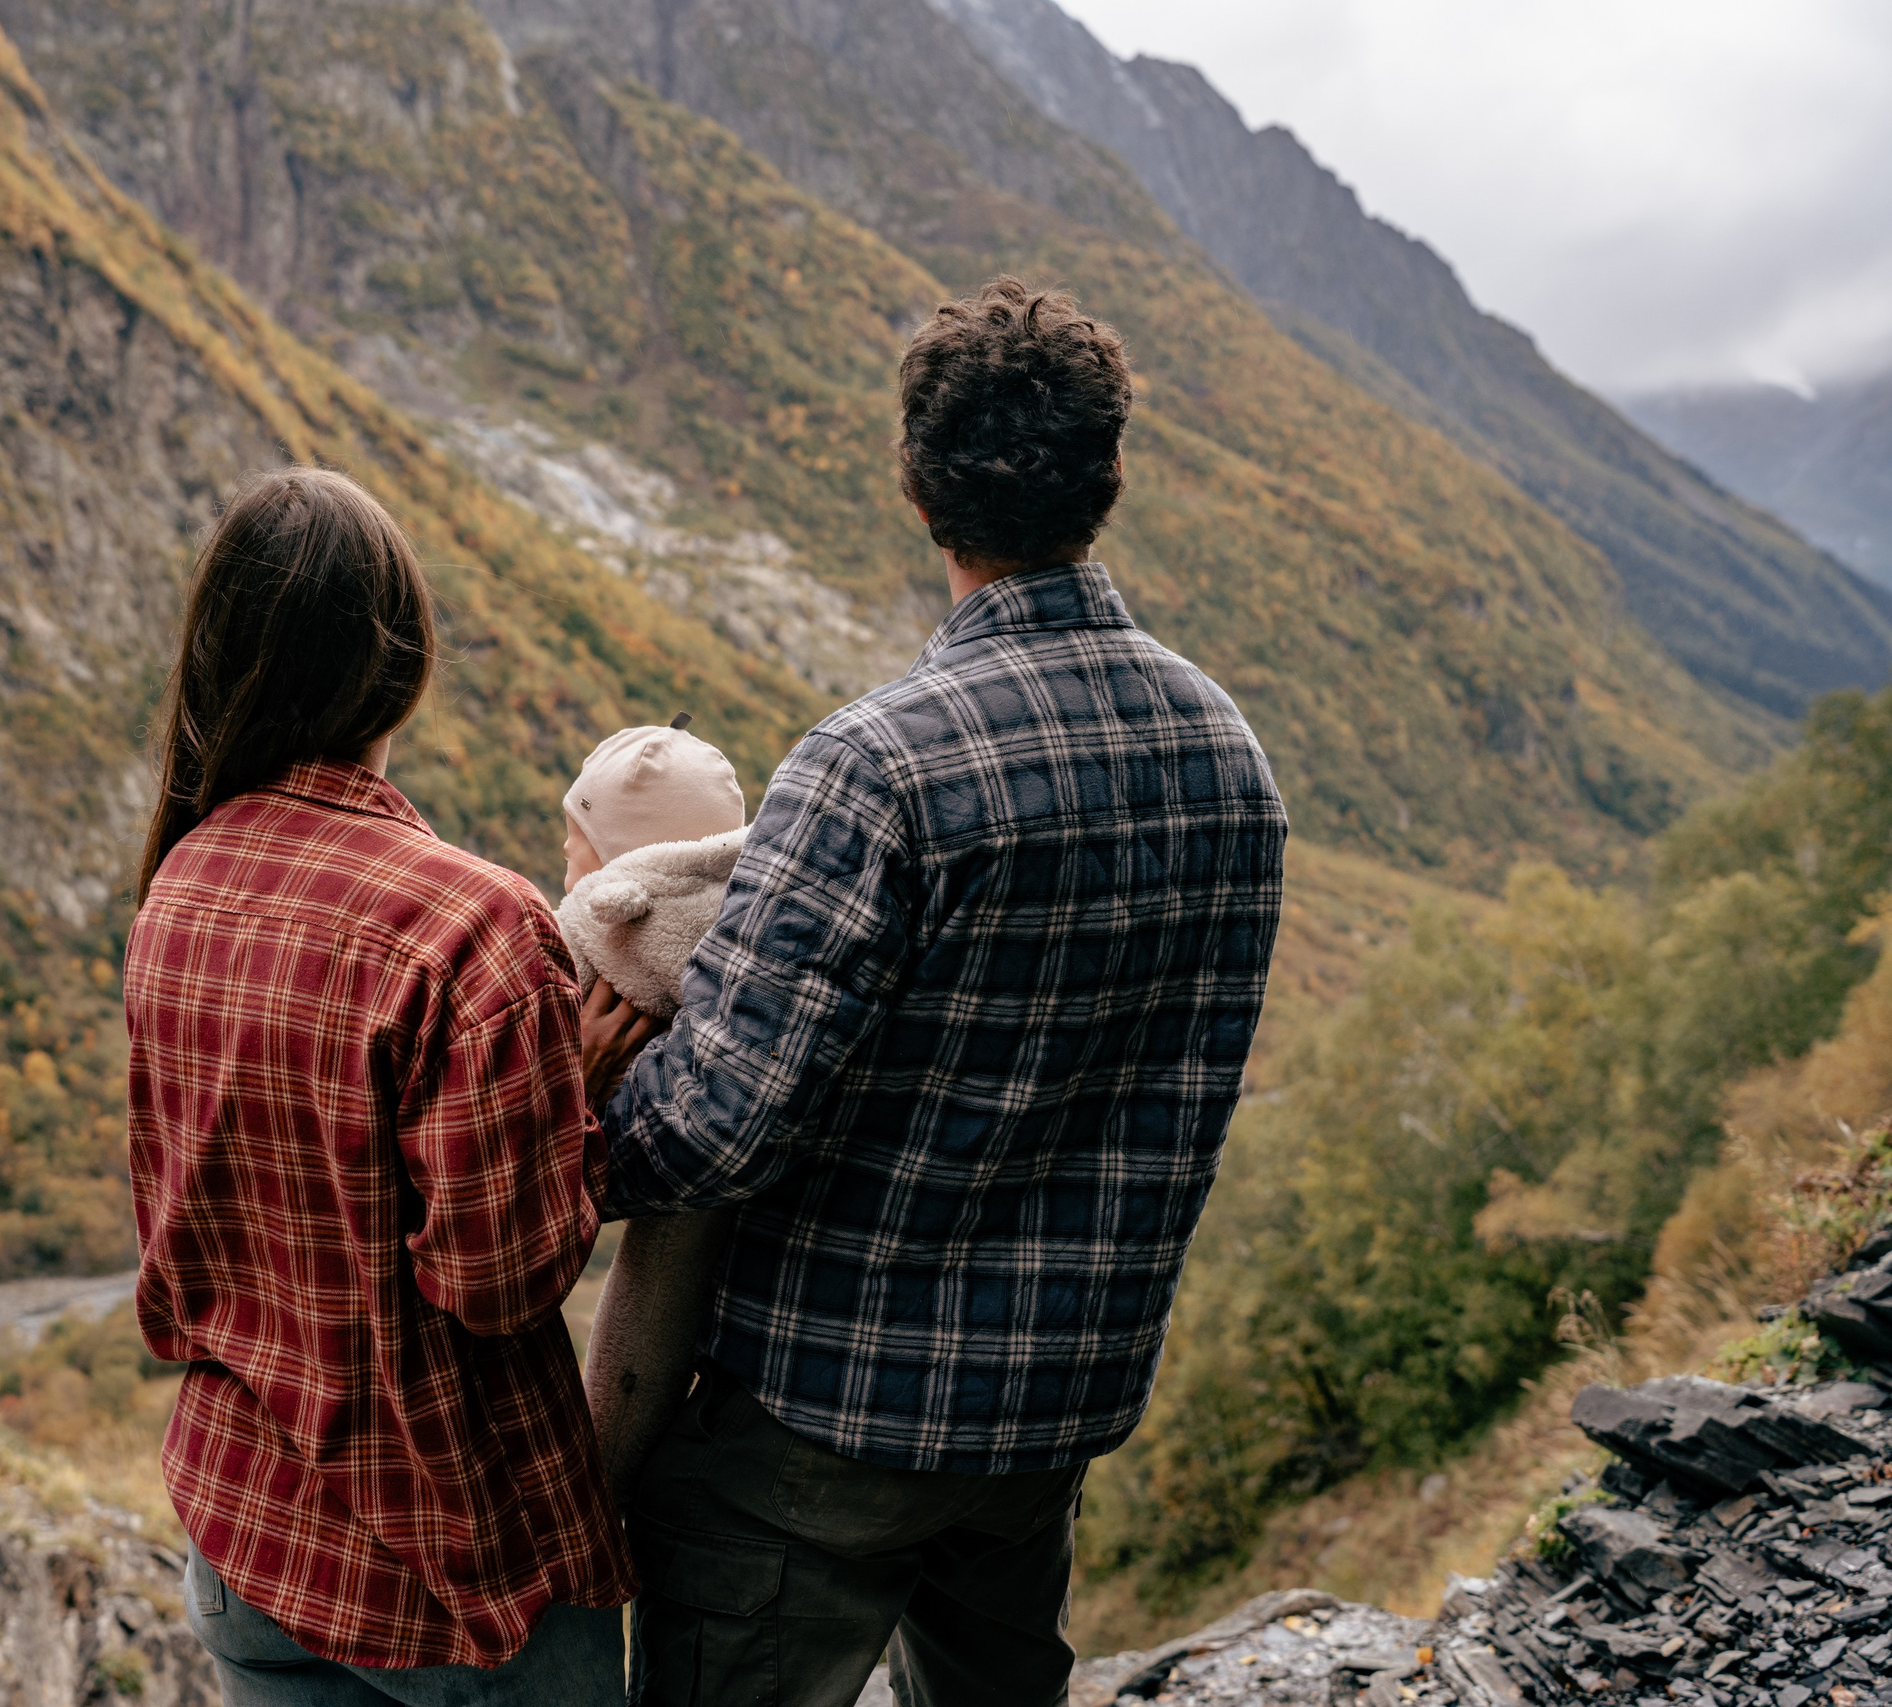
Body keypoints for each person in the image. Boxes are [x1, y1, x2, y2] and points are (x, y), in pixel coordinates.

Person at [594, 278, 1291, 1707]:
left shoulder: (873, 767)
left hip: (821, 1419)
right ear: (1107, 475)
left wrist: (566, 1097)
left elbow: (712, 1129)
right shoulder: (1231, 758)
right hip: (1052, 1411)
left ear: (916, 487)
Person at [120, 467, 658, 1707]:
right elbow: (496, 1281)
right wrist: (567, 1098)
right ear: (402, 667)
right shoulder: (474, 926)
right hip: (446, 1570)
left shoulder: (177, 885)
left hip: (244, 1531)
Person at [549, 719, 751, 1499]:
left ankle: (589, 1482)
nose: (565, 853)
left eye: (576, 839)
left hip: (598, 1155)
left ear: (621, 855)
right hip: (713, 1189)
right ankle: (610, 1469)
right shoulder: (751, 919)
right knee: (657, 1305)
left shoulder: (601, 916)